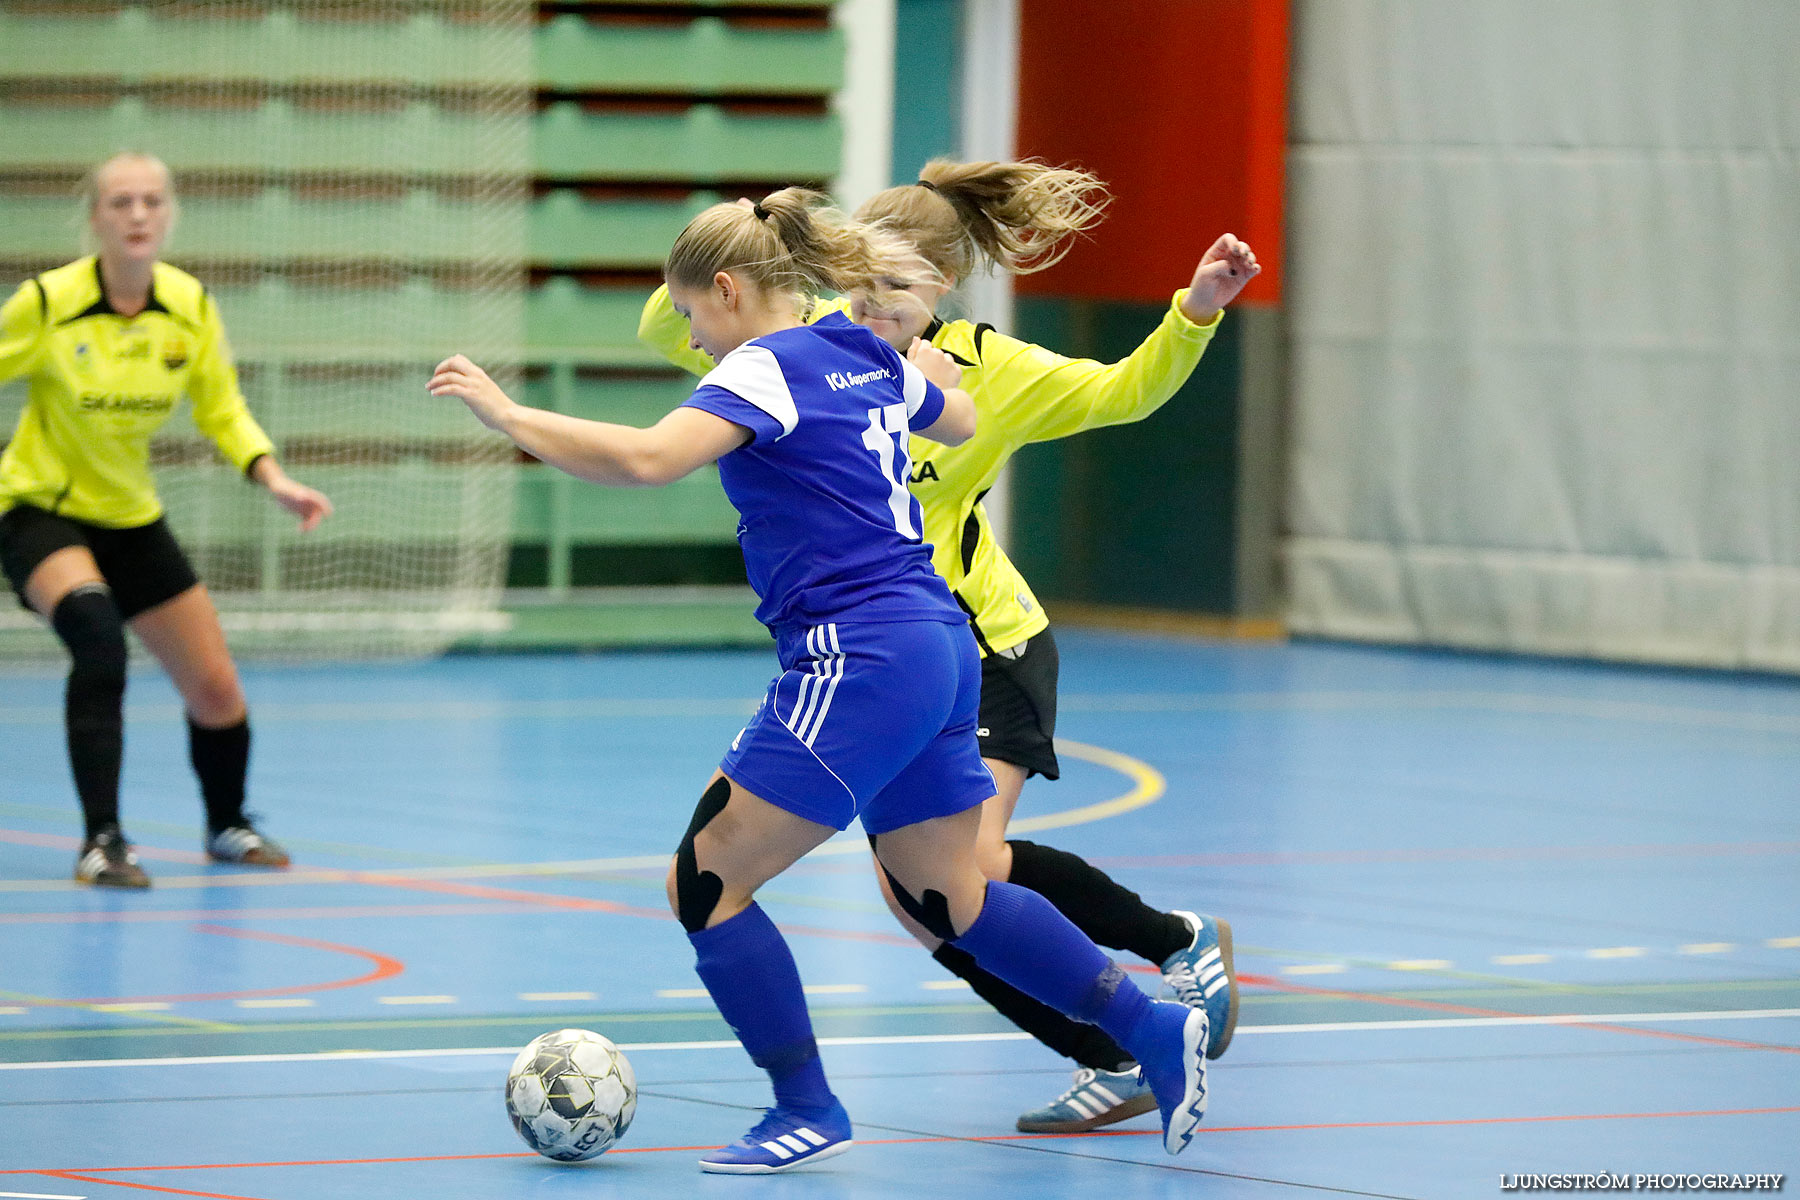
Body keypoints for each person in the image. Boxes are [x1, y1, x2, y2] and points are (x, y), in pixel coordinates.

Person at [431, 188, 1210, 1174]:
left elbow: (642, 458)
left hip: (860, 656)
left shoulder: (764, 367)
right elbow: (963, 417)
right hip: (937, 645)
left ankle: (804, 1105)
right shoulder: (860, 352)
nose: (691, 339)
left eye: (689, 317)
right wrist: (916, 374)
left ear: (726, 291)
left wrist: (506, 412)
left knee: (706, 879)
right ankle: (1148, 1030)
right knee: (945, 896)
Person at [638, 158, 1260, 1132]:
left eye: (898, 285)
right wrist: (747, 250)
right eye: (858, 278)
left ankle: (1163, 958)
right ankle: (1131, 1031)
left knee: (954, 878)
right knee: (933, 895)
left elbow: (1121, 395)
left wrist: (1194, 311)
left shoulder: (985, 371)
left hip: (985, 643)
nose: (873, 301)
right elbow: (675, 326)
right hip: (892, 648)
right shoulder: (807, 352)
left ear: (939, 288)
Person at [0, 152, 332, 888]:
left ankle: (227, 823)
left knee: (215, 689)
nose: (138, 215)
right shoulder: (48, 303)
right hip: (39, 510)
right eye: (120, 203)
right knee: (98, 644)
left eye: (151, 201)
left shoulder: (188, 306)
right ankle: (103, 841)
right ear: (95, 219)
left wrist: (272, 476)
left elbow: (221, 408)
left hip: (130, 515)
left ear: (169, 213)